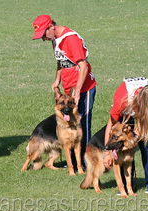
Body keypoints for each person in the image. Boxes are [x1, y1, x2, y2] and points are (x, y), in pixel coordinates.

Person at [32, 15, 96, 169]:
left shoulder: (70, 39)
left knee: (82, 125)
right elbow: (61, 61)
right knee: (69, 124)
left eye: (43, 35)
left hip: (84, 88)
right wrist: (57, 79)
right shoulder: (55, 39)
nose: (43, 39)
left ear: (51, 27)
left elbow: (83, 66)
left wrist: (79, 91)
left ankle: (84, 162)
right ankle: (73, 161)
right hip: (68, 89)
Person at [103, 77, 148, 194]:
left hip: (140, 109)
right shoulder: (122, 99)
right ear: (142, 100)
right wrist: (107, 153)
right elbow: (110, 126)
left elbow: (141, 129)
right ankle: (125, 186)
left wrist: (134, 140)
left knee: (147, 142)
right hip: (127, 106)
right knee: (119, 143)